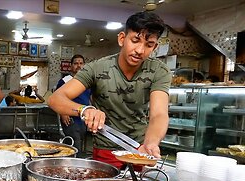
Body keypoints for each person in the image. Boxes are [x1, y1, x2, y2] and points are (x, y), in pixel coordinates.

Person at [48, 11, 171, 169]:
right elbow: (55, 99)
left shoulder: (159, 71)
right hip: (105, 149)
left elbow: (159, 114)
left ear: (155, 47)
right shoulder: (98, 68)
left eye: (149, 45)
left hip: (139, 149)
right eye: (135, 40)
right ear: (122, 38)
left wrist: (151, 143)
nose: (140, 50)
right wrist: (84, 110)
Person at [55, 54, 91, 155]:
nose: (78, 65)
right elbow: (57, 99)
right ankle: (75, 165)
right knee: (75, 144)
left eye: (81, 63)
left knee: (80, 141)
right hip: (70, 118)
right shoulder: (64, 81)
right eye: (75, 63)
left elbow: (91, 98)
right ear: (71, 66)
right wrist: (63, 113)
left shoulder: (87, 82)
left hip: (83, 118)